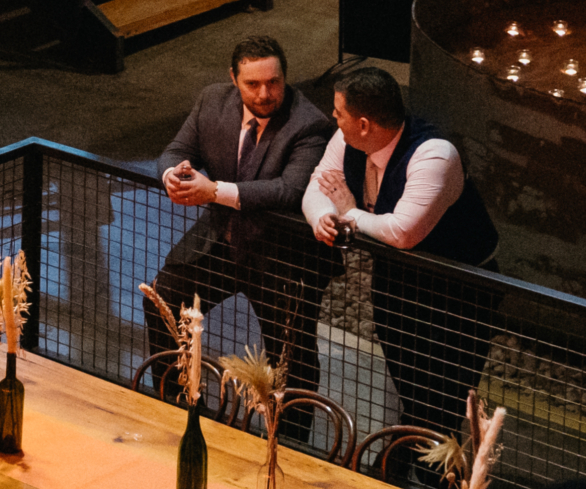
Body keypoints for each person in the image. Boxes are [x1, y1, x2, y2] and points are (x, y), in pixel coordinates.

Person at [300, 65, 502, 435]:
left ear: (364, 124)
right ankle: (408, 457)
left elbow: (402, 232)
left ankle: (437, 478)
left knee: (444, 397)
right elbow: (318, 186)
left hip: (458, 291)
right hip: (395, 280)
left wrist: (350, 213)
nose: (333, 118)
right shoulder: (347, 141)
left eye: (339, 113)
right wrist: (323, 218)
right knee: (409, 386)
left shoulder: (434, 155)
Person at [148, 34, 337, 398]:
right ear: (234, 79)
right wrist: (171, 174)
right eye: (253, 84)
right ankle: (175, 402)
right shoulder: (212, 101)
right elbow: (176, 150)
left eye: (274, 82)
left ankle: (289, 441)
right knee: (163, 299)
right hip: (224, 239)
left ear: (285, 77)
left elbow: (289, 190)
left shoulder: (309, 124)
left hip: (283, 253)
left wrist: (213, 191)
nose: (265, 94)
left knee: (290, 357)